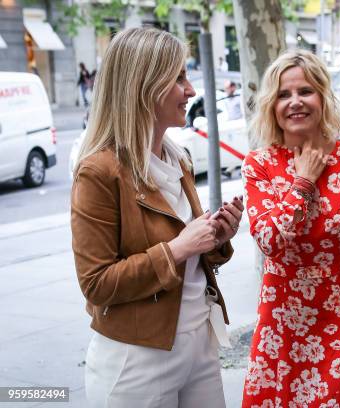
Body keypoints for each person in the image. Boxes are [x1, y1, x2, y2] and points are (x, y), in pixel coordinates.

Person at [71, 27, 244, 408]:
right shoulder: (98, 171)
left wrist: (217, 237)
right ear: (144, 85)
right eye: (179, 78)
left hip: (200, 340)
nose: (192, 90)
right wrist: (178, 249)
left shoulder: (177, 157)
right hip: (138, 357)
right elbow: (97, 283)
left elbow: (193, 251)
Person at [241, 49, 340, 407]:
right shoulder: (259, 165)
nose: (294, 102)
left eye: (304, 91)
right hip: (280, 329)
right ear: (271, 106)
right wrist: (303, 180)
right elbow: (270, 241)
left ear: (322, 96)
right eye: (283, 95)